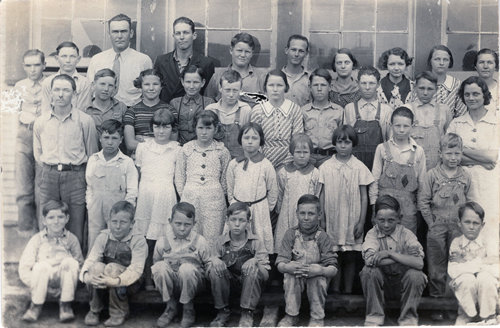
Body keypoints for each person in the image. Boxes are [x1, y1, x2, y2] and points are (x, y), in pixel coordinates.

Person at [34, 74, 98, 246]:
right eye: (57, 90)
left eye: (66, 90)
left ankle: (75, 262)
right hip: (49, 175)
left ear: (74, 94)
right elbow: (38, 153)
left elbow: (92, 154)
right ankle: (48, 260)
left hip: (76, 176)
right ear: (51, 93)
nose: (60, 94)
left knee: (76, 221)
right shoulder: (41, 122)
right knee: (47, 220)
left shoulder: (85, 121)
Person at [417, 133, 473, 320]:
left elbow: (470, 201)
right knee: (436, 266)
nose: (453, 158)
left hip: (457, 229)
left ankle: (452, 304)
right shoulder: (432, 175)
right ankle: (437, 304)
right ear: (440, 153)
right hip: (437, 227)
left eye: (457, 154)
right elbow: (423, 202)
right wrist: (431, 223)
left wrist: (465, 225)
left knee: (456, 264)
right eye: (449, 153)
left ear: (462, 154)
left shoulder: (465, 175)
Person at [447, 76, 499, 256]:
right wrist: (481, 159)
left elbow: (493, 156)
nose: (471, 98)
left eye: (476, 93)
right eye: (467, 94)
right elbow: (451, 155)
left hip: (489, 187)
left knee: (489, 230)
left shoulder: (496, 122)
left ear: (484, 95)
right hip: (462, 186)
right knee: (463, 230)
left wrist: (463, 151)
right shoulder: (456, 123)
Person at [319, 125, 374, 294]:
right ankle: (335, 292)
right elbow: (321, 195)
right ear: (334, 144)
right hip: (333, 219)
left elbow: (364, 196)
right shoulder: (326, 167)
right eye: (340, 142)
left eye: (347, 142)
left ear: (353, 144)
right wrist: (323, 218)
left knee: (350, 256)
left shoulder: (359, 167)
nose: (343, 146)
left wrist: (361, 221)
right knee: (335, 255)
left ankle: (348, 291)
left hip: (352, 219)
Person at [360, 195, 427, 326]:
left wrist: (388, 253)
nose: (386, 225)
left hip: (403, 286)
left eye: (391, 220)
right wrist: (403, 256)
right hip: (382, 286)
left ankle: (408, 318)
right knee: (368, 271)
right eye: (381, 220)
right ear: (374, 219)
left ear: (399, 219)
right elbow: (369, 261)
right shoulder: (372, 234)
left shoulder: (407, 234)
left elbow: (419, 263)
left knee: (417, 275)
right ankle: (374, 316)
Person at [134, 109, 181, 290]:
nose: (161, 131)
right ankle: (144, 278)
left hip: (165, 196)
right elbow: (139, 172)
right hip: (146, 195)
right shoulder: (143, 147)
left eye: (166, 127)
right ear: (151, 127)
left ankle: (161, 278)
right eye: (157, 127)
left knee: (162, 239)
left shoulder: (177, 149)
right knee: (145, 238)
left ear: (172, 128)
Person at [80, 201, 147, 327]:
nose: (117, 226)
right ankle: (94, 309)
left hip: (129, 283)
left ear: (132, 223)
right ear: (109, 221)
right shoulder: (104, 236)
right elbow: (92, 258)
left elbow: (136, 270)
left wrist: (116, 281)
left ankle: (119, 312)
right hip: (105, 282)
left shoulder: (138, 240)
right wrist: (85, 276)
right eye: (114, 222)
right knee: (96, 267)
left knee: (112, 268)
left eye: (123, 222)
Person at [276, 194, 338, 327]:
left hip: (316, 276)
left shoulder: (323, 237)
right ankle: (291, 316)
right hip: (297, 276)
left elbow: (333, 269)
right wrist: (287, 267)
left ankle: (317, 317)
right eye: (302, 213)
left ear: (319, 215)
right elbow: (280, 263)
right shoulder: (291, 234)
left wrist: (320, 270)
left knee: (317, 280)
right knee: (290, 276)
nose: (306, 217)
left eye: (311, 214)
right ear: (297, 213)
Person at [19, 200, 84, 323]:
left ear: (67, 218)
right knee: (42, 266)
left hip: (64, 279)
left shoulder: (72, 239)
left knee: (70, 263)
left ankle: (65, 305)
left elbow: (79, 263)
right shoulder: (37, 240)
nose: (56, 221)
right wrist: (33, 283)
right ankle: (35, 306)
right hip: (41, 279)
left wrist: (74, 281)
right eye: (51, 217)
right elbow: (25, 266)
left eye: (60, 217)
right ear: (44, 220)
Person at [175, 111, 231, 249]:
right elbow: (180, 176)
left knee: (212, 235)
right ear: (195, 128)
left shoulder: (221, 151)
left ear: (215, 129)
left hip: (214, 199)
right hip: (190, 196)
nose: (204, 132)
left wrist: (217, 193)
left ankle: (212, 264)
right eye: (200, 128)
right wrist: (186, 195)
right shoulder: (186, 149)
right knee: (190, 232)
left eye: (208, 128)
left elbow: (225, 178)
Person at [209, 202, 270, 327]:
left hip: (250, 285)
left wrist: (256, 261)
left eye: (242, 220)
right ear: (227, 221)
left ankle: (247, 312)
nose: (237, 224)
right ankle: (222, 311)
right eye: (233, 220)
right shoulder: (220, 242)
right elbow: (207, 271)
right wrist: (214, 260)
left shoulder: (256, 242)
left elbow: (266, 274)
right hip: (228, 285)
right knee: (215, 268)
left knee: (253, 268)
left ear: (248, 222)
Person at [151, 202, 212, 328]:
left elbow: (208, 265)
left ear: (194, 224)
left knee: (186, 269)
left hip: (193, 284)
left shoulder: (200, 241)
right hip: (172, 285)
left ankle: (188, 308)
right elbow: (156, 262)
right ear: (170, 221)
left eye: (187, 224)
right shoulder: (162, 241)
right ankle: (170, 307)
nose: (182, 228)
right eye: (178, 224)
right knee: (159, 267)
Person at [369, 106, 426, 235]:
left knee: (407, 242)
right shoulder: (382, 149)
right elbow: (375, 179)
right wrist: (374, 207)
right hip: (384, 207)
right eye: (397, 125)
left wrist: (419, 211)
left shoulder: (418, 151)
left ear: (412, 126)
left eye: (405, 126)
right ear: (391, 125)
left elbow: (422, 184)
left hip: (408, 208)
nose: (401, 130)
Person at [85, 119, 138, 250]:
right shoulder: (94, 159)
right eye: (106, 137)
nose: (110, 142)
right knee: (94, 241)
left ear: (121, 140)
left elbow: (132, 192)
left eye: (114, 138)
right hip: (96, 209)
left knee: (115, 242)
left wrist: (125, 213)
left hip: (117, 211)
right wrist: (90, 204)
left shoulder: (127, 162)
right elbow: (89, 186)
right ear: (100, 139)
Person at [226, 122, 278, 254]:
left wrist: (265, 208)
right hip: (238, 209)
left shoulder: (266, 165)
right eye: (246, 138)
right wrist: (235, 204)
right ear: (240, 140)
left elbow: (273, 190)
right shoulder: (234, 164)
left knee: (258, 242)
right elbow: (230, 188)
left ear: (261, 141)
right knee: (236, 240)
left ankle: (261, 264)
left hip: (259, 210)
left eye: (254, 138)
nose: (250, 142)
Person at [448, 202, 499, 325]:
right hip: (465, 290)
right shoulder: (457, 243)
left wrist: (467, 260)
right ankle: (468, 315)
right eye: (467, 222)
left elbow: (496, 269)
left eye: (476, 223)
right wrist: (484, 262)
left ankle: (488, 316)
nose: (471, 227)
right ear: (459, 223)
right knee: (467, 279)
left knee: (485, 278)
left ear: (482, 225)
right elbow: (454, 271)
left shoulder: (489, 241)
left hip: (488, 290)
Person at [87, 14, 153, 107]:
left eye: (123, 31)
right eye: (115, 32)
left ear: (131, 33)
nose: (119, 36)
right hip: (102, 112)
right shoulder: (97, 60)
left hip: (132, 112)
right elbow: (90, 91)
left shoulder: (143, 60)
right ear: (109, 34)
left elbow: (149, 92)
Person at [15, 49, 46, 235]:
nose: (33, 69)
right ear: (23, 66)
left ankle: (44, 231)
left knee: (42, 187)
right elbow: (8, 115)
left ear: (44, 65)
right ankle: (26, 231)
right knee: (23, 185)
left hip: (44, 136)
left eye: (36, 65)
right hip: (23, 135)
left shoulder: (51, 83)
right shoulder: (17, 86)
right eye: (28, 65)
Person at [154, 16, 217, 103]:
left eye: (186, 33)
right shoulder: (161, 61)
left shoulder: (206, 63)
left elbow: (207, 95)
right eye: (178, 33)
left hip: (194, 113)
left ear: (194, 35)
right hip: (166, 112)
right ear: (173, 36)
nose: (181, 37)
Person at [275, 134, 320, 252]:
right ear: (291, 153)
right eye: (298, 152)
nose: (301, 155)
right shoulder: (283, 172)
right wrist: (279, 210)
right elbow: (280, 193)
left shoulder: (315, 173)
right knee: (285, 244)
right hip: (287, 214)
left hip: (307, 215)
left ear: (310, 153)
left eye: (305, 152)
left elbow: (317, 194)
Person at [250, 69, 304, 168]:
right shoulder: (257, 110)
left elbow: (297, 140)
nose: (275, 89)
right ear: (265, 87)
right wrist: (264, 164)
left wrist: (286, 163)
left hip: (289, 159)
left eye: (279, 85)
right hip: (263, 161)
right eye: (271, 85)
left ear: (286, 87)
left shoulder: (294, 109)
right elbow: (254, 140)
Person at [344, 66, 392, 170]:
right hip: (354, 164)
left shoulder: (387, 110)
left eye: (371, 83)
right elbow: (345, 140)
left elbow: (390, 142)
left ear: (378, 85)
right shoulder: (349, 109)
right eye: (363, 83)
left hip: (379, 163)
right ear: (358, 84)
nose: (367, 87)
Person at [123, 69, 177, 154]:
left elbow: (173, 142)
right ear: (141, 86)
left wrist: (145, 140)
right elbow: (130, 144)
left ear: (161, 86)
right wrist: (160, 143)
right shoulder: (132, 111)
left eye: (155, 84)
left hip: (164, 157)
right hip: (139, 159)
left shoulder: (170, 110)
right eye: (147, 84)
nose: (151, 88)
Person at [407, 71, 453, 170]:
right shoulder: (406, 109)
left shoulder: (444, 110)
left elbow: (450, 140)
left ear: (436, 89)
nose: (425, 93)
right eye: (421, 88)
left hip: (437, 166)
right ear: (415, 88)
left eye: (430, 89)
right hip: (411, 165)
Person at [205, 32, 265, 106]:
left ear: (252, 53)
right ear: (231, 50)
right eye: (239, 51)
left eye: (247, 52)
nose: (243, 55)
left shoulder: (261, 77)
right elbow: (209, 103)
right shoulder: (217, 76)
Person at [301, 68, 344, 167]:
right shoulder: (303, 111)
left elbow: (342, 139)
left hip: (330, 158)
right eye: (315, 85)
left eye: (323, 85)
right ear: (310, 87)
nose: (319, 89)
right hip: (309, 158)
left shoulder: (339, 111)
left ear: (330, 87)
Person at [409, 45, 466, 118]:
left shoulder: (457, 85)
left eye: (445, 60)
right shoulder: (418, 83)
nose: (441, 63)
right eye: (437, 59)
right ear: (430, 61)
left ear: (450, 62)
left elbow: (461, 115)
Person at [206, 70, 252, 158]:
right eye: (227, 90)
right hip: (215, 159)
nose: (231, 94)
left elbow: (249, 139)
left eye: (235, 90)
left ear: (241, 90)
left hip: (239, 160)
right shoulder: (211, 110)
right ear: (220, 88)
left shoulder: (245, 110)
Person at [169, 65, 215, 145]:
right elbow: (172, 129)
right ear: (182, 82)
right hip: (179, 146)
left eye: (196, 82)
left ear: (203, 83)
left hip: (202, 146)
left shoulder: (209, 103)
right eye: (188, 82)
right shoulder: (174, 103)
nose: (191, 86)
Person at [41, 41, 92, 111]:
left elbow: (82, 111)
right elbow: (46, 110)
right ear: (56, 58)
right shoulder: (47, 82)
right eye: (64, 56)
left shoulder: (84, 83)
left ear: (78, 59)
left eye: (72, 56)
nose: (68, 60)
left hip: (76, 120)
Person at [84, 69, 128, 141]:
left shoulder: (121, 107)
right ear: (93, 85)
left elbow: (125, 135)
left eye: (110, 85)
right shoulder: (85, 108)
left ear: (114, 88)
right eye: (102, 84)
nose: (106, 89)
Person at [282, 34, 311, 107]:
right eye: (293, 50)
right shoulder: (275, 78)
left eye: (301, 51)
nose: (296, 54)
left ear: (306, 54)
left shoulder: (311, 80)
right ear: (286, 50)